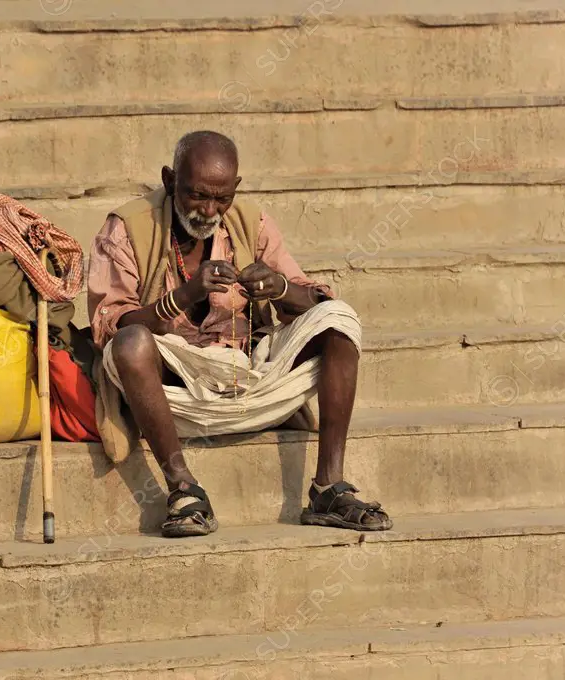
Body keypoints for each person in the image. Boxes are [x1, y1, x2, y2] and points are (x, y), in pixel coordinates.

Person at [87, 130, 392, 538]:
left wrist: (280, 289)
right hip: (170, 395)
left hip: (248, 381)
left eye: (221, 199)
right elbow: (111, 323)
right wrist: (185, 294)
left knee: (338, 319)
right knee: (130, 343)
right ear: (169, 180)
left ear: (236, 190)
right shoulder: (127, 227)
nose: (209, 210)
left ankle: (328, 489)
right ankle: (183, 490)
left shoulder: (251, 222)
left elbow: (312, 297)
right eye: (197, 196)